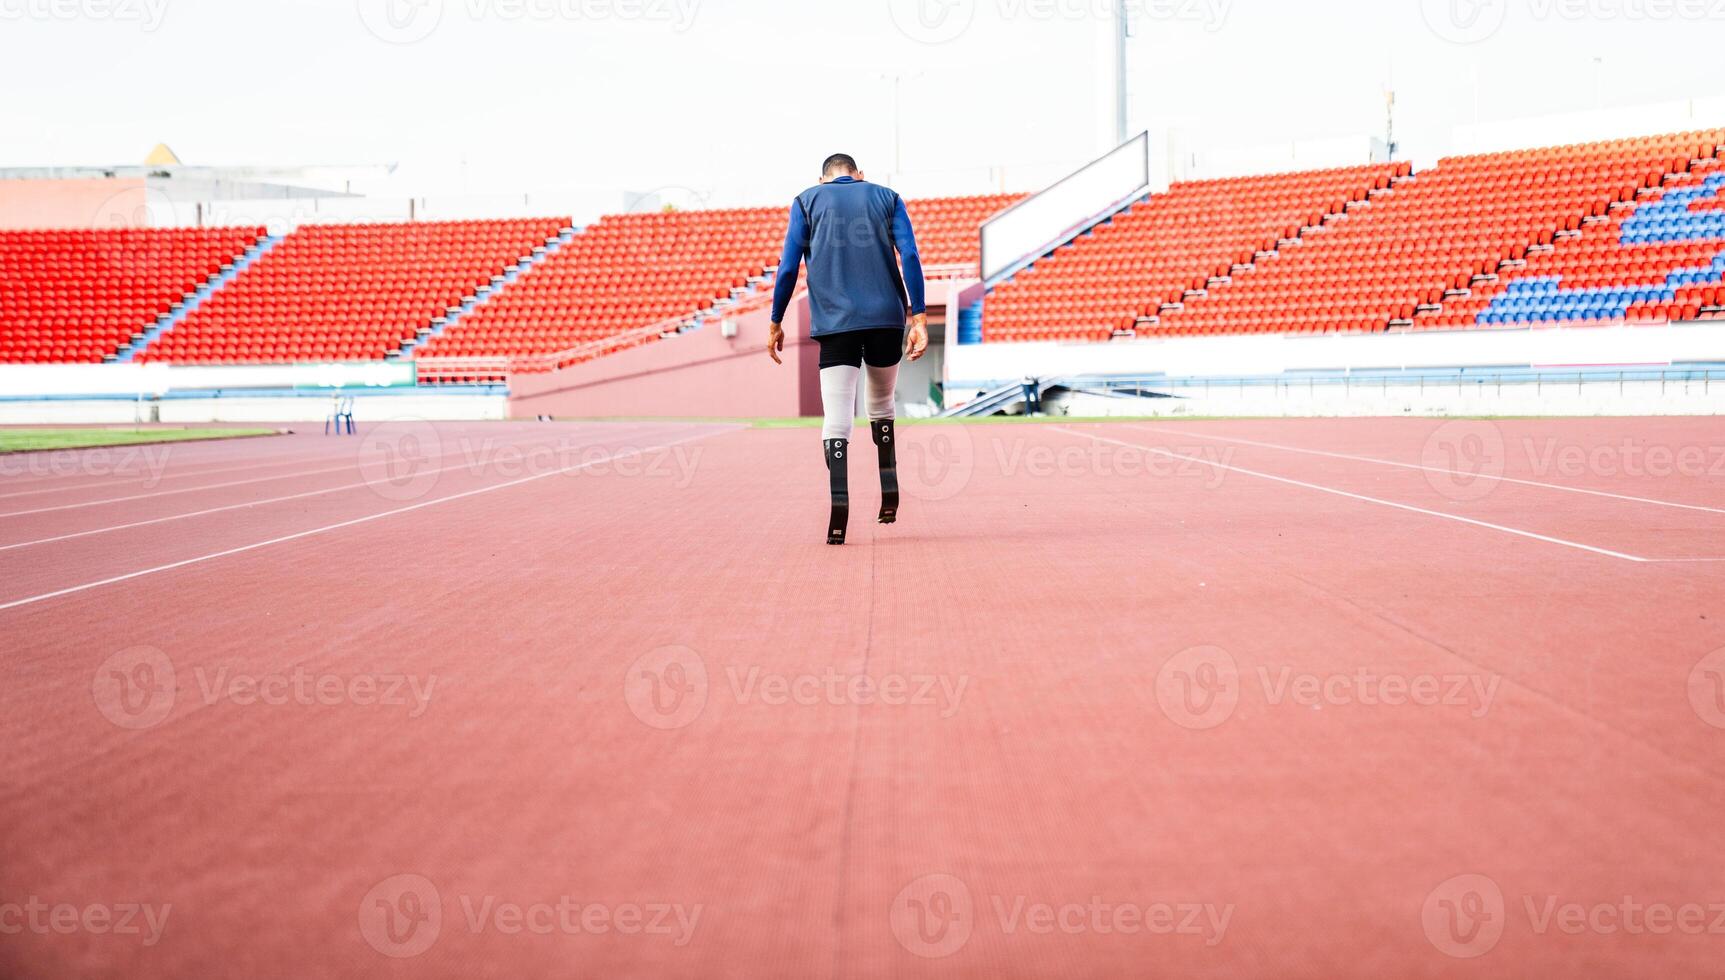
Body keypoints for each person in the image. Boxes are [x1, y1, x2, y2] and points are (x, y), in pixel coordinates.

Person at [767, 153, 929, 545]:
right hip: (884, 319)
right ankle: (888, 491)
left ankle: (840, 505)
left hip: (836, 323)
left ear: (822, 179)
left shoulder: (807, 200)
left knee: (837, 417)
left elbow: (788, 267)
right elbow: (909, 255)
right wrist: (919, 316)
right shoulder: (887, 197)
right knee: (881, 402)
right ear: (860, 175)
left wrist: (776, 320)